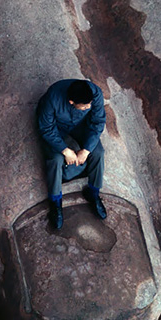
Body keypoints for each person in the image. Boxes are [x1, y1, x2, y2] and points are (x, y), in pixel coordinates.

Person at [37, 79, 107, 229]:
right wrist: (65, 150)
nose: (89, 107)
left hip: (80, 126)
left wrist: (86, 150)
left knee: (98, 152)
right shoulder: (52, 98)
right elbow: (46, 128)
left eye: (89, 104)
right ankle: (55, 202)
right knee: (55, 160)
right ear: (71, 101)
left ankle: (93, 193)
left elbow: (98, 122)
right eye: (85, 106)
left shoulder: (95, 93)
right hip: (56, 128)